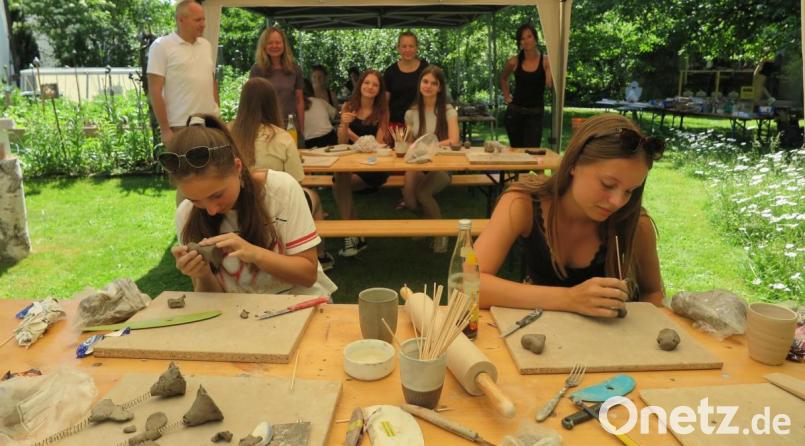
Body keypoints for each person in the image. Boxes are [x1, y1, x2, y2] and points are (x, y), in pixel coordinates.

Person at [474, 114, 665, 317]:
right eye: (608, 184)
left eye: (630, 191)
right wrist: (570, 298)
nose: (618, 202)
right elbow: (467, 283)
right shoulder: (523, 203)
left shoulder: (635, 224)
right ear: (573, 163)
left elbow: (653, 292)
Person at [165, 114, 336, 296]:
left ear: (237, 167)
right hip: (241, 315)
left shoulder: (280, 189)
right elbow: (212, 298)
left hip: (302, 304)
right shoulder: (186, 214)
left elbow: (308, 275)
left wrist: (254, 253)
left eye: (217, 195)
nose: (211, 210)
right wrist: (203, 274)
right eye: (195, 200)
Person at [230, 77, 335, 271]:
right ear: (273, 103)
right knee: (315, 199)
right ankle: (319, 255)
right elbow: (296, 182)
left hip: (237, 204)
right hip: (276, 207)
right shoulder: (281, 136)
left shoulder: (228, 132)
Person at [333, 69, 390, 257]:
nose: (370, 87)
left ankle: (350, 236)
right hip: (351, 164)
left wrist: (357, 139)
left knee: (339, 184)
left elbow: (380, 145)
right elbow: (341, 142)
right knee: (340, 179)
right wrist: (344, 125)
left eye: (375, 84)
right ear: (360, 85)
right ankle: (356, 236)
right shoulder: (348, 106)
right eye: (367, 83)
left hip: (373, 166)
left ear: (379, 90)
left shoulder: (382, 111)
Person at [403, 65, 459, 253]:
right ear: (420, 83)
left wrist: (427, 148)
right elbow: (409, 144)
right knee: (410, 201)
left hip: (442, 164)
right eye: (425, 81)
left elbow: (454, 140)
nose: (428, 86)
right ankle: (428, 222)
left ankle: (440, 233)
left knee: (423, 194)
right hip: (418, 164)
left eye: (433, 83)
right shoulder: (411, 113)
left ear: (440, 88)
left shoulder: (448, 110)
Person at [147, 0, 219, 146]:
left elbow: (211, 80)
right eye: (198, 20)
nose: (203, 24)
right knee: (185, 169)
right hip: (180, 127)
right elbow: (155, 90)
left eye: (204, 19)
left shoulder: (206, 45)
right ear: (181, 20)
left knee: (212, 169)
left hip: (209, 124)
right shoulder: (161, 46)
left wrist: (217, 113)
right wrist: (165, 130)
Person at [250, 27, 305, 148]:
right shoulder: (257, 70)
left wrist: (301, 128)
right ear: (264, 46)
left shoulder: (295, 68)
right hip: (266, 126)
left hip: (290, 125)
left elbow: (299, 100)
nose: (274, 46)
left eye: (278, 42)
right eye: (270, 43)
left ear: (284, 45)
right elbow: (252, 102)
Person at [500, 23, 553, 148]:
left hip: (535, 114)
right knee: (517, 154)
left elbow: (549, 85)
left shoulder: (546, 61)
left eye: (529, 36)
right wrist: (507, 97)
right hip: (515, 114)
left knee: (532, 153)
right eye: (522, 38)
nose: (526, 41)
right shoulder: (514, 61)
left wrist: (551, 69)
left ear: (535, 39)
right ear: (520, 42)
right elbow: (503, 78)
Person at [384, 31, 428, 126]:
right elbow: (384, 104)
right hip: (395, 125)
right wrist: (385, 128)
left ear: (417, 47)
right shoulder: (390, 72)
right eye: (404, 46)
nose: (407, 49)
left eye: (411, 46)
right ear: (398, 48)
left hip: (421, 123)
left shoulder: (426, 70)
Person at [302, 78, 338, 149]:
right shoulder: (320, 101)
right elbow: (336, 115)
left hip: (310, 143)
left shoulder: (293, 107)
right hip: (330, 139)